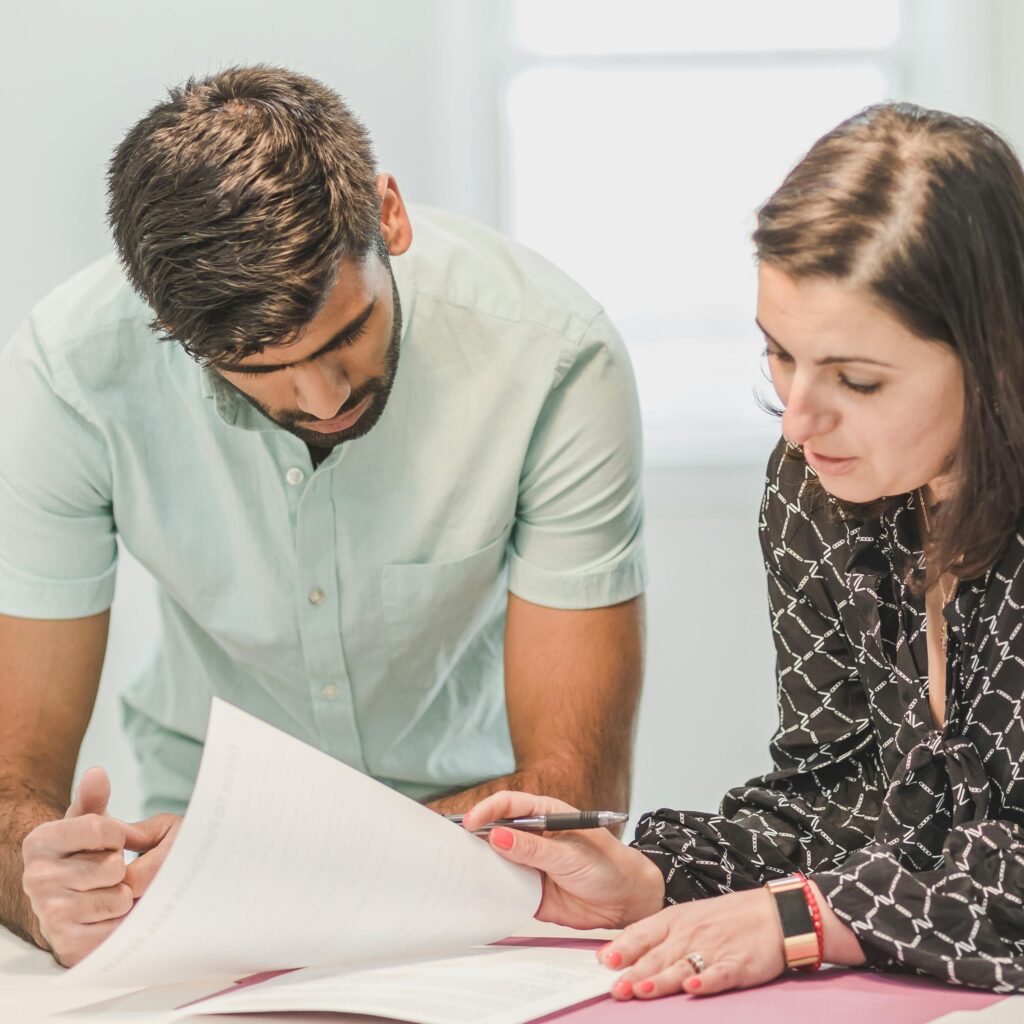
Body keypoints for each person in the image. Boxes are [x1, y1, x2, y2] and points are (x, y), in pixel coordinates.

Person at [0, 66, 646, 966]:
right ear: (168, 328)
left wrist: (269, 870)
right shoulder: (70, 375)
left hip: (479, 856)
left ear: (389, 214)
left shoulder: (555, 356)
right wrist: (41, 892)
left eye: (346, 332)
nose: (324, 394)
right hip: (196, 851)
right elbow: (10, 789)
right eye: (257, 367)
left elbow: (575, 787)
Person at [463, 102, 1024, 999]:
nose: (799, 419)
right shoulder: (819, 491)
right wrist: (649, 877)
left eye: (857, 379)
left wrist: (808, 919)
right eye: (779, 356)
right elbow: (835, 798)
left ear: (996, 357)